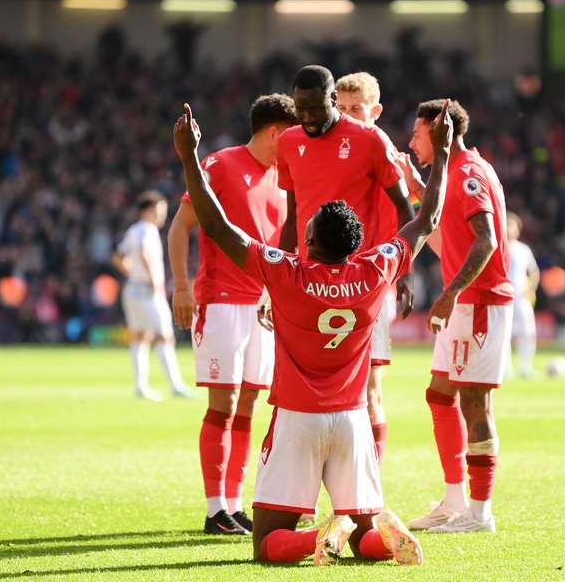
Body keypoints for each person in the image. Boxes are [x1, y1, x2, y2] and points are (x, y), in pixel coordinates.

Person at [173, 99, 453, 565]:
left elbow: (216, 226)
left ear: (310, 241)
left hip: (298, 418)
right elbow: (426, 219)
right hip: (352, 420)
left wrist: (187, 158)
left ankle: (319, 536)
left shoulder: (287, 273)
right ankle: (381, 537)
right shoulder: (376, 268)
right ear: (356, 243)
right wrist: (442, 154)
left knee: (267, 544)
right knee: (365, 533)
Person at [167, 94, 298, 535]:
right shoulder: (221, 165)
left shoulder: (284, 179)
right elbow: (180, 227)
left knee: (247, 406)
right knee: (221, 406)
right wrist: (183, 287)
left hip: (262, 308)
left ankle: (234, 504)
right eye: (292, 135)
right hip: (221, 301)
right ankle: (213, 509)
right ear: (276, 132)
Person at [405, 99, 513, 534]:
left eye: (417, 133)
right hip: (464, 304)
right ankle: (453, 501)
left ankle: (480, 513)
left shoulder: (468, 174)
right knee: (439, 394)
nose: (411, 141)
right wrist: (414, 183)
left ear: (439, 131)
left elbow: (484, 241)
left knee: (475, 402)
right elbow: (444, 230)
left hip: (478, 303)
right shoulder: (454, 172)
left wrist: (451, 293)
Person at [334, 71, 415, 463]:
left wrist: (404, 274)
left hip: (372, 285)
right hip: (324, 282)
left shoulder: (391, 158)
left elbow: (413, 213)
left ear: (376, 111)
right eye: (342, 108)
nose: (348, 117)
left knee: (369, 391)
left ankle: (370, 489)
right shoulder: (325, 152)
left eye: (357, 109)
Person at [112, 190, 189, 401]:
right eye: (160, 210)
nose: (162, 215)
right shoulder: (148, 230)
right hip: (147, 291)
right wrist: (154, 279)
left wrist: (133, 274)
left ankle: (141, 386)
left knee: (140, 337)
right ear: (148, 210)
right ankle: (176, 385)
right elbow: (145, 253)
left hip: (132, 289)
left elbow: (118, 257)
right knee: (165, 335)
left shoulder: (133, 230)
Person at [506, 212, 539, 377]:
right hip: (503, 297)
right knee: (504, 334)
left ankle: (526, 367)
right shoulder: (496, 245)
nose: (507, 228)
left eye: (510, 225)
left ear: (518, 230)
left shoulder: (523, 249)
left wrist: (531, 289)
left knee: (527, 331)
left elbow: (534, 271)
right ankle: (506, 369)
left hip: (521, 298)